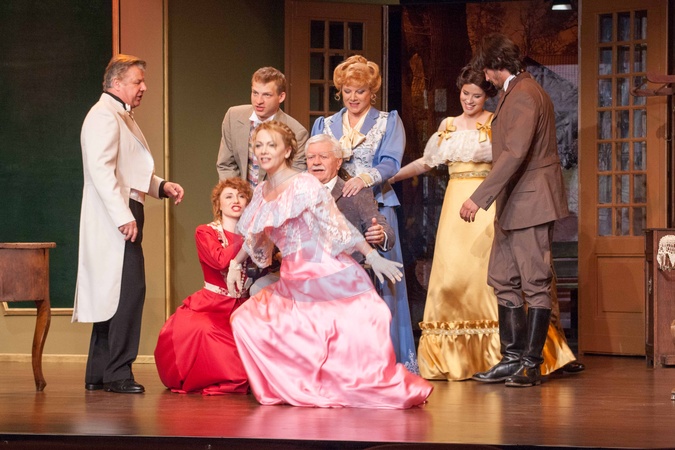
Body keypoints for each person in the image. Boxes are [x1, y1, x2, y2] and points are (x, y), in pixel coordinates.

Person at [391, 65, 580, 381]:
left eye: (476, 95)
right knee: (451, 278)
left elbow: (512, 160)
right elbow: (427, 162)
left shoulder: (496, 122)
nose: (469, 100)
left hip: (487, 202)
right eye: (465, 93)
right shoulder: (448, 125)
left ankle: (504, 354)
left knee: (493, 280)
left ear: (486, 97)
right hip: (455, 207)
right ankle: (452, 356)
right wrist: (390, 177)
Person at [227, 121, 432, 408]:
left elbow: (338, 225)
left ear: (287, 151)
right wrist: (235, 264)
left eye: (271, 145)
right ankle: (295, 386)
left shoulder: (304, 184)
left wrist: (372, 255)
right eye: (258, 145)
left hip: (324, 272)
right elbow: (255, 237)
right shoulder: (261, 191)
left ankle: (337, 386)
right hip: (293, 279)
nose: (263, 151)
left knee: (340, 327)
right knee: (245, 320)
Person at [459, 33, 570, 387]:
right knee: (502, 277)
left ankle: (530, 364)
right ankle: (511, 359)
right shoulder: (514, 91)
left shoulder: (524, 93)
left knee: (534, 282)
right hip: (514, 203)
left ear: (496, 66)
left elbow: (514, 153)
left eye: (486, 70)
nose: (484, 77)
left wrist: (478, 197)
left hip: (531, 202)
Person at [73, 54, 184, 394]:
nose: (144, 87)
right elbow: (102, 172)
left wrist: (161, 186)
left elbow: (128, 170)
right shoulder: (104, 116)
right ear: (117, 83)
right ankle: (118, 373)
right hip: (115, 214)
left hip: (123, 209)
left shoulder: (118, 115)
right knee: (128, 294)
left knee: (114, 293)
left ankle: (98, 372)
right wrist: (123, 216)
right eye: (138, 81)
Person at [311, 55, 417, 373]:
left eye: (360, 91)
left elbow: (391, 162)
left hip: (378, 206)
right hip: (335, 209)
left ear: (372, 92)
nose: (353, 97)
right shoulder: (325, 125)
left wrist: (364, 178)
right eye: (347, 91)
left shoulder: (388, 121)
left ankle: (391, 362)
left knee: (386, 280)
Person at [154, 178, 252, 395]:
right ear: (218, 204)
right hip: (211, 306)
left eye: (241, 196)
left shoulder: (255, 235)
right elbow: (220, 261)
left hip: (243, 307)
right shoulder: (205, 232)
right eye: (229, 196)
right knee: (210, 335)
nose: (236, 200)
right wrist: (246, 238)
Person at [306, 134, 394, 264]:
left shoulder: (357, 193)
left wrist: (380, 235)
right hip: (303, 269)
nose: (316, 162)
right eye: (310, 157)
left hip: (345, 270)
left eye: (323, 157)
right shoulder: (295, 191)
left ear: (338, 162)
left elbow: (387, 233)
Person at [216, 67, 308, 186]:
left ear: (281, 97)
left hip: (276, 194)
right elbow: (226, 165)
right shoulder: (233, 117)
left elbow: (294, 176)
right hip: (239, 194)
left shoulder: (297, 132)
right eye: (255, 93)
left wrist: (265, 196)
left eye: (267, 95)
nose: (259, 101)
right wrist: (238, 194)